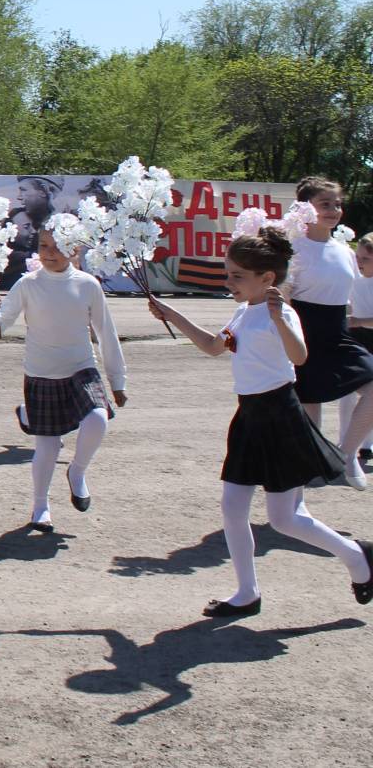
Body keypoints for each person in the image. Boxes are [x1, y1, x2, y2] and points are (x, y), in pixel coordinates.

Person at [148, 230, 373, 617]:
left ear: (267, 279)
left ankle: (357, 557)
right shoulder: (242, 311)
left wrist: (278, 318)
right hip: (249, 417)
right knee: (233, 508)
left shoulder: (281, 312)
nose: (228, 281)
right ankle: (247, 593)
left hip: (280, 418)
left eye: (237, 275)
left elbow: (299, 357)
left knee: (285, 519)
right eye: (228, 273)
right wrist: (172, 313)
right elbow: (213, 347)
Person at [0, 228, 128, 533]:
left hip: (81, 368)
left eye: (58, 247)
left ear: (76, 250)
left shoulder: (88, 285)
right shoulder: (27, 284)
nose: (49, 253)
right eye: (43, 246)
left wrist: (118, 380)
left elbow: (106, 333)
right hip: (41, 374)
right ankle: (41, 507)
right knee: (47, 449)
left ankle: (77, 472)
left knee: (98, 420)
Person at [283, 177, 373, 490]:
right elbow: (283, 299)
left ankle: (345, 455)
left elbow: (345, 302)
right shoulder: (293, 247)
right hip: (303, 337)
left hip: (339, 335)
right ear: (306, 208)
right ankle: (299, 501)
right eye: (325, 204)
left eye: (337, 204)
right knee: (311, 415)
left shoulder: (344, 250)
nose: (334, 210)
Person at [342, 233, 373, 464]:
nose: (359, 261)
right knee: (347, 394)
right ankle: (346, 442)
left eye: (365, 258)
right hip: (355, 338)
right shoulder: (353, 278)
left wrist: (358, 320)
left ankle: (366, 444)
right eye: (358, 256)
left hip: (367, 335)